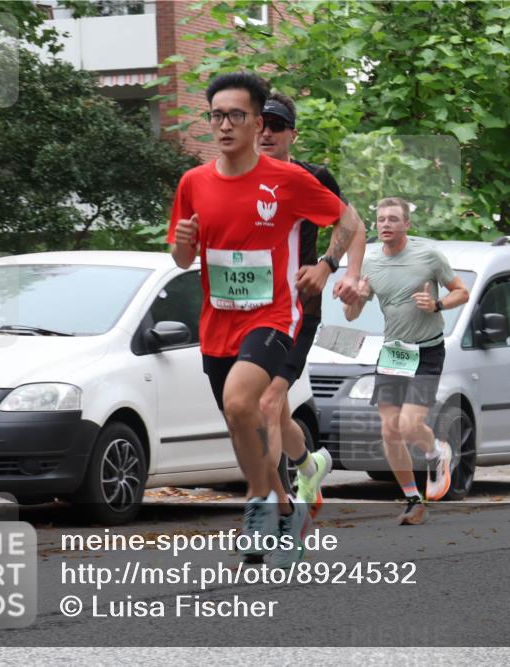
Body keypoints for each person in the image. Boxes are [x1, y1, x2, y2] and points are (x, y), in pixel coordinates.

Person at [168, 72, 366, 565]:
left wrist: (327, 266)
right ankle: (281, 506)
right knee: (242, 420)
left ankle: (257, 506)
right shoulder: (193, 183)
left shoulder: (289, 180)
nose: (225, 125)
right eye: (217, 115)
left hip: (277, 315)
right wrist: (184, 244)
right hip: (217, 321)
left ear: (256, 123)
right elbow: (179, 259)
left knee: (246, 402)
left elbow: (350, 221)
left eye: (237, 115)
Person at [343, 198, 469, 524]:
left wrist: (437, 305)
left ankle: (436, 451)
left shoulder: (428, 256)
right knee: (389, 430)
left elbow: (462, 292)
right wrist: (353, 299)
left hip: (427, 349)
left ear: (406, 225)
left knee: (409, 424)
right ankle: (413, 499)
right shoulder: (369, 263)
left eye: (393, 219)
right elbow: (352, 313)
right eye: (381, 219)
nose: (385, 224)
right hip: (395, 350)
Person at [255, 92, 344, 518]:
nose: (266, 133)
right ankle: (311, 464)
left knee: (267, 405)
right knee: (277, 409)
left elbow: (348, 225)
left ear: (292, 133)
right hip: (251, 312)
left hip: (298, 311)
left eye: (275, 126)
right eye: (260, 124)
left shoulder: (314, 177)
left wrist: (326, 266)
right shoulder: (234, 179)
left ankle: (270, 507)